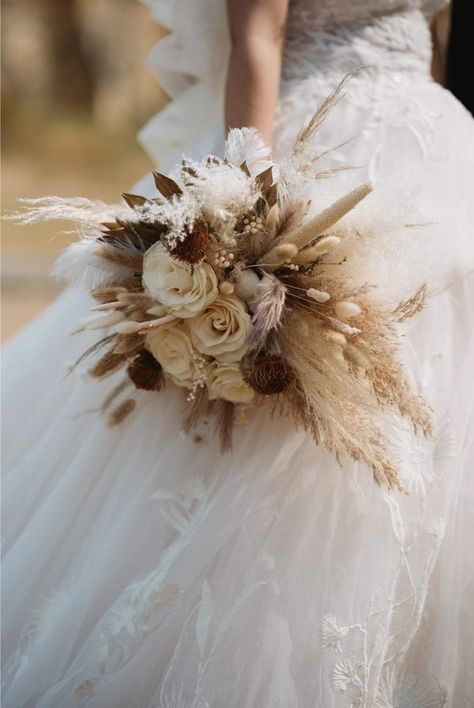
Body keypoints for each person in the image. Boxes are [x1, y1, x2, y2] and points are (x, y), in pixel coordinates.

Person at [2, 1, 473, 706]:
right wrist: (243, 218)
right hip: (308, 142)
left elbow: (430, 37)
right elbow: (258, 33)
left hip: (438, 153)